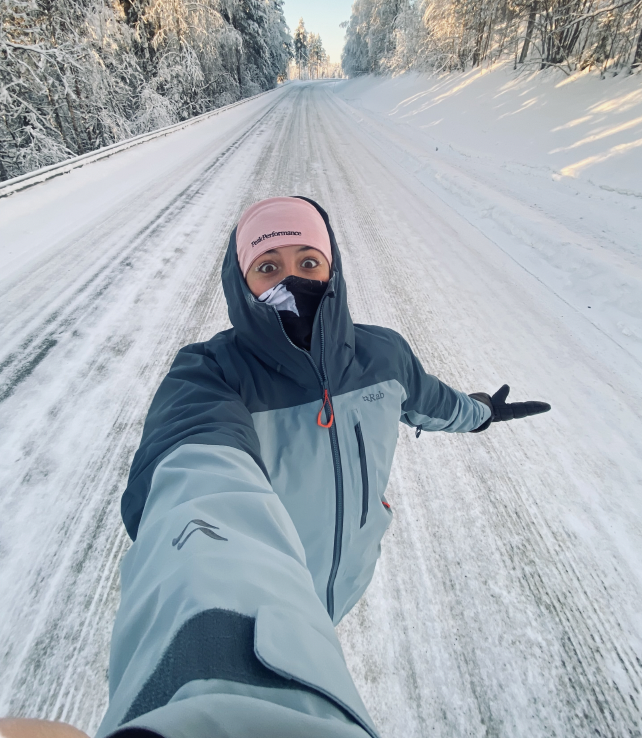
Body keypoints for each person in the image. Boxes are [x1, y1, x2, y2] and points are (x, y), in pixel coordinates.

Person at [4, 197, 550, 738]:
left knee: (321, 627)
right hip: (267, 596)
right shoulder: (211, 373)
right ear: (243, 284)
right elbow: (198, 491)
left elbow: (431, 401)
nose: (294, 280)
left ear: (332, 268)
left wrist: (479, 413)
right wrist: (216, 660)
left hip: (347, 577)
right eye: (269, 268)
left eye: (309, 262)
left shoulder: (383, 355)